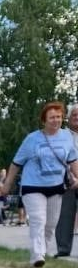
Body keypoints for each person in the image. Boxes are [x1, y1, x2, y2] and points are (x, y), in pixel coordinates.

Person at [0, 101, 78, 268]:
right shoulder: (32, 139)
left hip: (56, 187)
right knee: (38, 220)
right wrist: (7, 185)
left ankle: (43, 251)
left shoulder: (66, 137)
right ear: (44, 120)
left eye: (58, 117)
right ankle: (37, 255)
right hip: (32, 186)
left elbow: (72, 161)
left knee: (51, 224)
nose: (55, 120)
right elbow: (16, 163)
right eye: (51, 117)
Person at [54, 104, 78, 258]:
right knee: (64, 215)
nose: (77, 118)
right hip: (67, 180)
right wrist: (73, 177)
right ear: (68, 118)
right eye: (74, 115)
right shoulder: (60, 135)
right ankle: (63, 249)